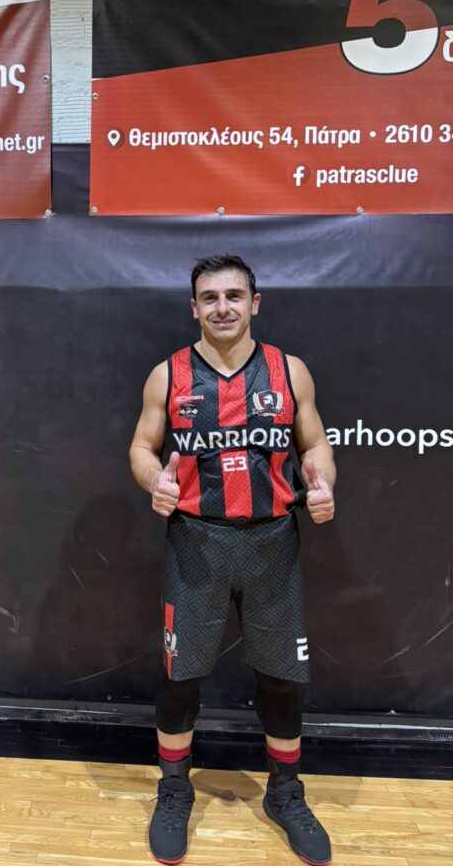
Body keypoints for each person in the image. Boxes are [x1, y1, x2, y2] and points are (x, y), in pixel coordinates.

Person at [129, 254, 335, 866]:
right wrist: (154, 482)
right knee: (181, 675)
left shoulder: (288, 371)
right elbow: (142, 447)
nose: (223, 307)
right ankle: (174, 790)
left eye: (234, 296)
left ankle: (285, 792)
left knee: (281, 677)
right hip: (197, 541)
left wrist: (322, 482)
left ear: (254, 303)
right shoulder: (167, 375)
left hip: (273, 542)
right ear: (193, 308)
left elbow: (315, 443)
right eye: (210, 298)